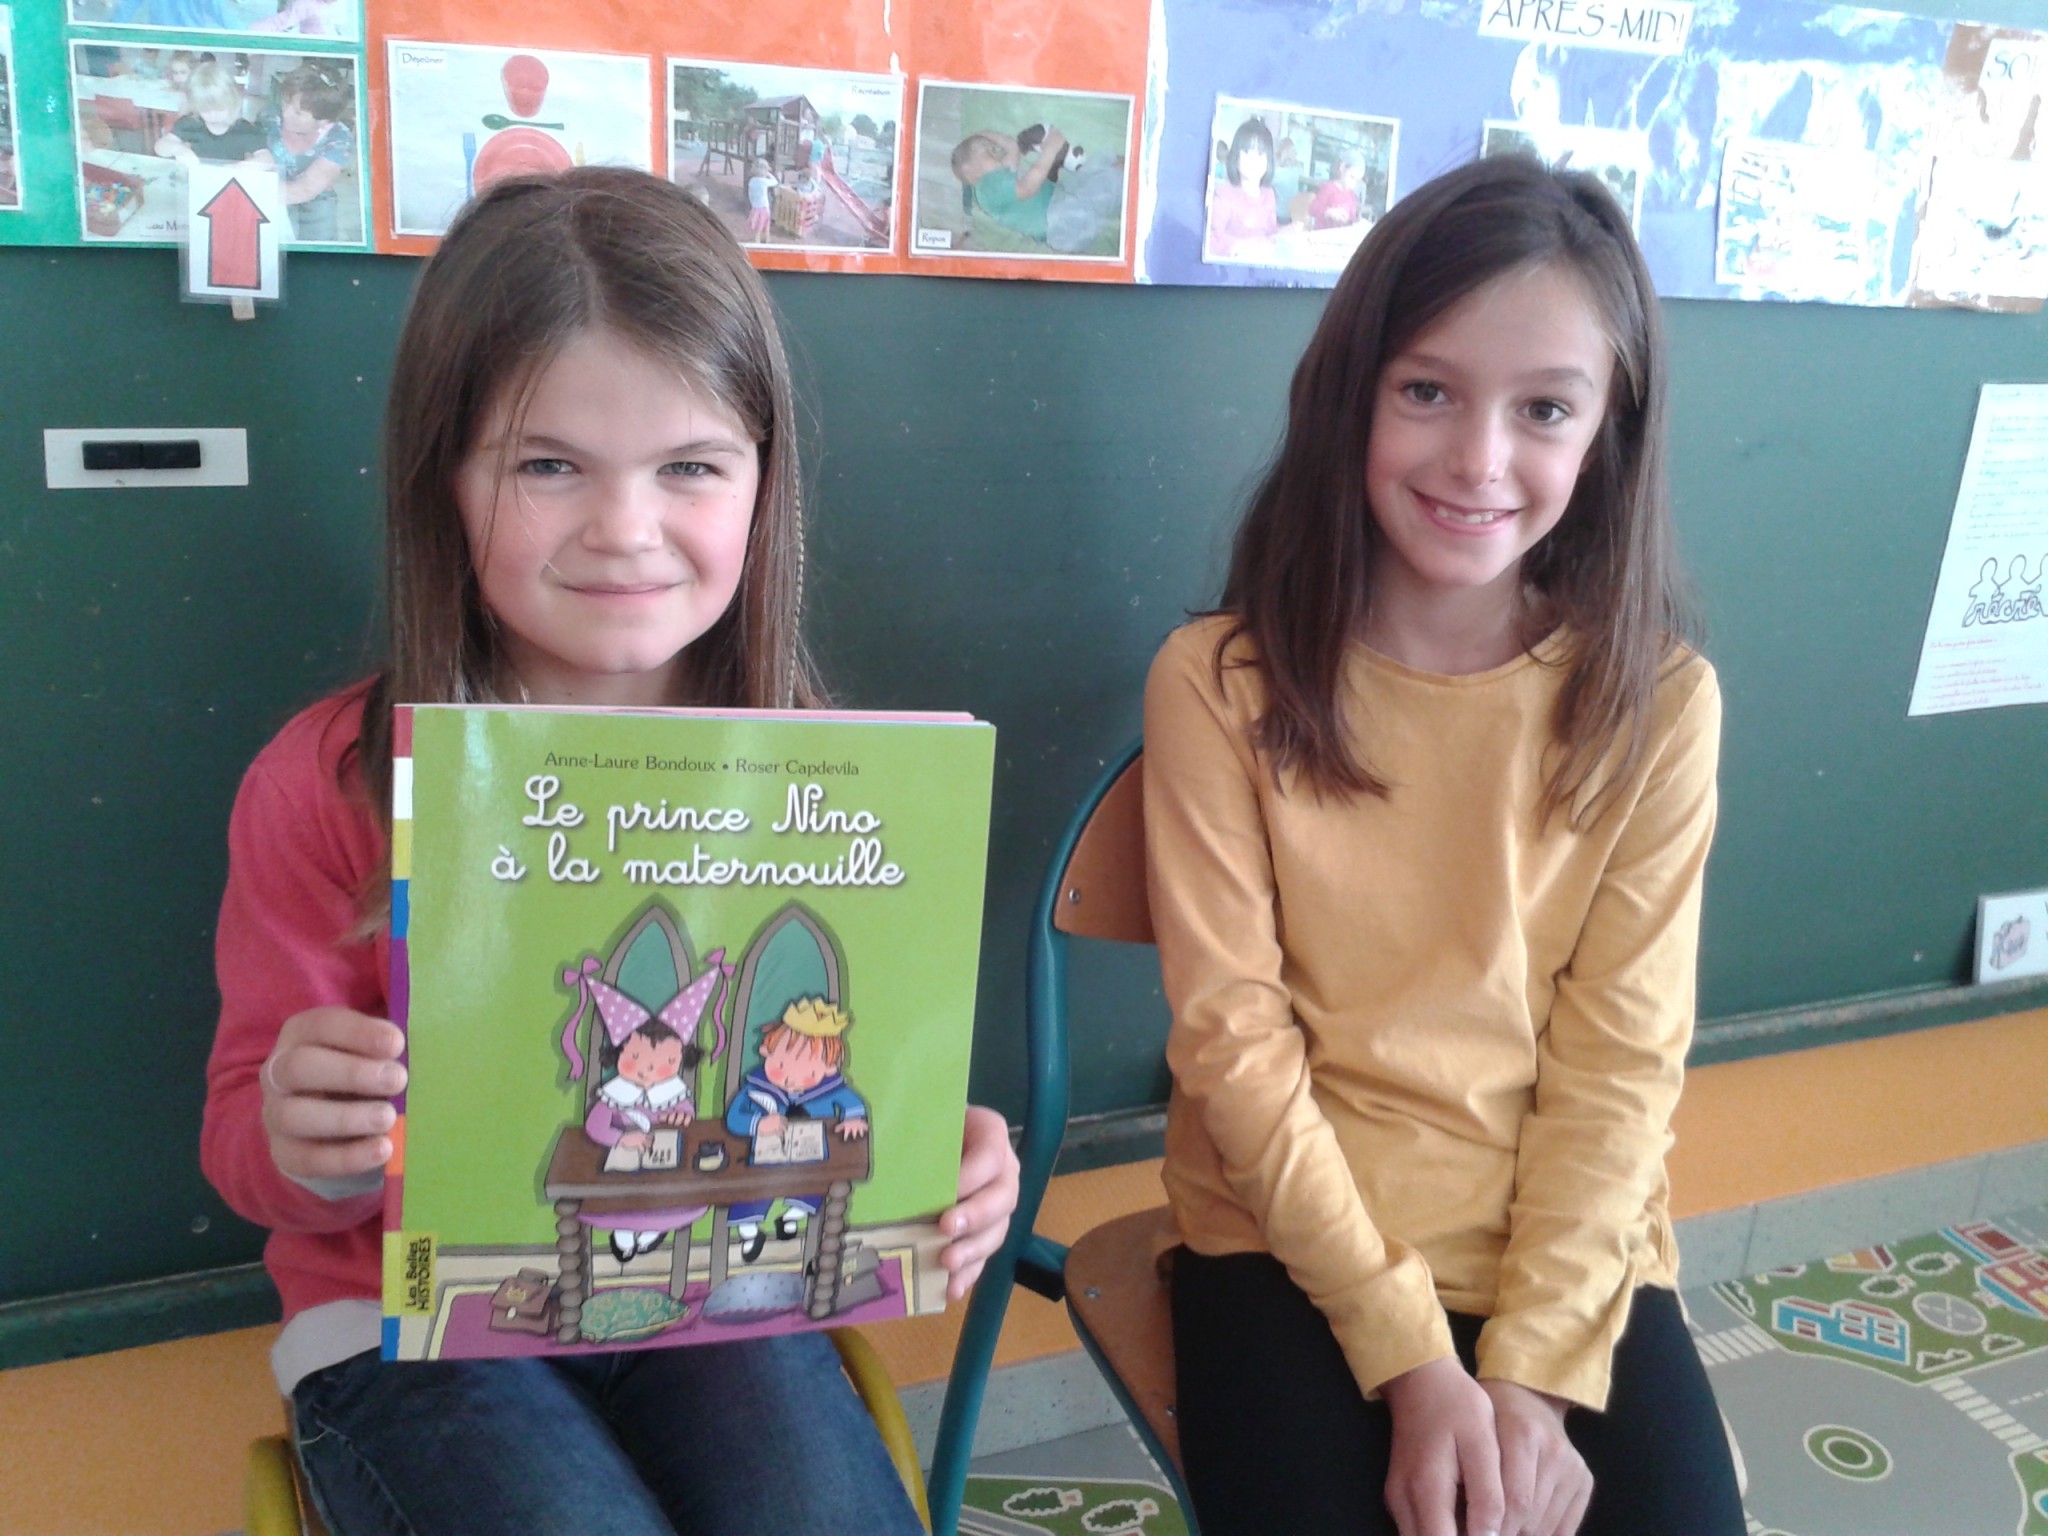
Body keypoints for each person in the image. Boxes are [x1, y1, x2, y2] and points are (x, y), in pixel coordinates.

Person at [200, 166, 1021, 1536]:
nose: (625, 529)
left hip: (712, 1299)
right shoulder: (332, 778)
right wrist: (310, 1140)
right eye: (547, 466)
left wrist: (947, 1158)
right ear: (445, 481)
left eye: (689, 467)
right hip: (400, 1318)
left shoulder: (821, 775)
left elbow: (848, 1076)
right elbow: (243, 1146)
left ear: (762, 482)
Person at [1144, 155, 1745, 1536]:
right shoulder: (1217, 683)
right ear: (1350, 394)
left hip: (1560, 1250)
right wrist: (1412, 1357)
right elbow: (1234, 1045)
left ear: (1606, 431)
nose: (1479, 460)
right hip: (1289, 1238)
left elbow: (1621, 1066)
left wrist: (1533, 1375)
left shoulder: (1659, 705)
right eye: (1426, 391)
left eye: (1544, 408)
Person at [724, 999, 868, 1263]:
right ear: (766, 1051)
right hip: (762, 1163)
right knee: (750, 1195)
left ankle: (791, 1217)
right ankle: (750, 1234)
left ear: (829, 1068)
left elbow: (852, 1103)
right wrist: (758, 1124)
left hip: (809, 1161)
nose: (791, 1077)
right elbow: (734, 1118)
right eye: (781, 1066)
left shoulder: (831, 1090)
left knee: (815, 1188)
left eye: (808, 1071)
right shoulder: (755, 1088)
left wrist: (853, 1119)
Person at [949, 127, 1123, 255]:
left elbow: (1013, 147)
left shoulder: (998, 180)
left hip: (1061, 205)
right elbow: (1028, 187)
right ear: (969, 169)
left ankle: (1125, 166)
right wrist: (1050, 150)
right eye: (985, 151)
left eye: (993, 148)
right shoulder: (986, 189)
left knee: (1102, 164)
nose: (995, 152)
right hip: (1058, 219)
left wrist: (984, 134)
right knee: (1109, 180)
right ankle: (1131, 173)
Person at [244, 60, 354, 241]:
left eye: (297, 112)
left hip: (315, 199)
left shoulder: (338, 138)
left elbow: (306, 188)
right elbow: (250, 150)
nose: (285, 112)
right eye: (286, 101)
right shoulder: (269, 116)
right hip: (270, 188)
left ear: (324, 121)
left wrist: (251, 193)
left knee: (318, 247)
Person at [153, 59, 265, 164]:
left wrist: (237, 168)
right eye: (205, 110)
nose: (213, 115)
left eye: (220, 109)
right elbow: (160, 147)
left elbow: (266, 159)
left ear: (233, 102)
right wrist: (179, 150)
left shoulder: (243, 129)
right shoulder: (191, 123)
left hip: (230, 178)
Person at [1206, 116, 1278, 260]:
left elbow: (1271, 234)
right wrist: (1241, 246)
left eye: (1260, 154)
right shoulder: (1224, 194)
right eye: (1246, 152)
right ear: (1236, 158)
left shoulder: (1269, 194)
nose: (1253, 160)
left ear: (1268, 161)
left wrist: (1287, 232)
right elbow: (1210, 238)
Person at [1308, 145, 1366, 229]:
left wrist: (1357, 221)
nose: (1353, 183)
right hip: (1322, 233)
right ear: (1342, 168)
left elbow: (1351, 219)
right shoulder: (1328, 188)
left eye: (1357, 181)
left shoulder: (1352, 196)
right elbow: (1312, 209)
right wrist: (1329, 212)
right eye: (1352, 177)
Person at [744, 155, 777, 239]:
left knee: (756, 223)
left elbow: (750, 193)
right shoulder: (764, 181)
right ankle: (765, 238)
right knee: (765, 223)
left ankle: (756, 237)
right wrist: (769, 174)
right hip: (764, 206)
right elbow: (775, 182)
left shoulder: (752, 181)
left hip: (755, 206)